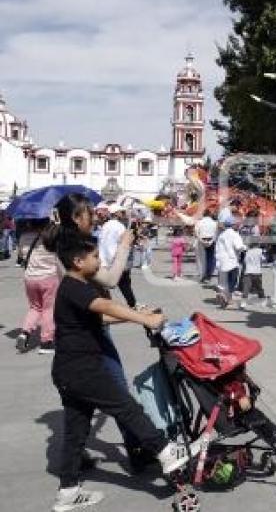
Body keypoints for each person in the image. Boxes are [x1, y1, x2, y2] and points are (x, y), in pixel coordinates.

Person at [50, 235, 193, 511]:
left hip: (69, 372)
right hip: (84, 370)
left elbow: (100, 316)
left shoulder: (72, 287)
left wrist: (137, 312)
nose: (99, 260)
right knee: (127, 408)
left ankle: (67, 492)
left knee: (75, 432)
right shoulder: (75, 287)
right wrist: (146, 320)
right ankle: (165, 451)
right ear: (79, 262)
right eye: (94, 257)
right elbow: (104, 306)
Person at [43, 194, 153, 472]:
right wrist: (124, 245)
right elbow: (111, 280)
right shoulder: (73, 251)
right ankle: (140, 449)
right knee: (119, 394)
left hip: (87, 331)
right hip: (89, 334)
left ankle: (77, 457)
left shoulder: (68, 245)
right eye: (89, 214)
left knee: (81, 407)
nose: (94, 218)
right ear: (76, 218)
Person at [16, 218, 61, 354]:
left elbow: (21, 256)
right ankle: (46, 342)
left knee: (35, 307)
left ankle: (25, 332)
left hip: (30, 277)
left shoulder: (23, 236)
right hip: (49, 277)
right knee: (48, 309)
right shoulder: (51, 236)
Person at [99, 204, 137, 308]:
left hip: (104, 259)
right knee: (125, 284)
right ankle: (132, 304)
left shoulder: (105, 225)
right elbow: (124, 241)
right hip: (115, 258)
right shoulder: (119, 226)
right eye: (121, 212)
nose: (123, 214)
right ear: (116, 213)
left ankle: (105, 304)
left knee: (104, 285)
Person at [215, 217, 246, 308]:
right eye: (236, 224)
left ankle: (221, 293)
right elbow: (239, 246)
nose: (238, 225)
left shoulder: (221, 235)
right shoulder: (234, 234)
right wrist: (246, 247)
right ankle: (228, 298)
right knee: (232, 281)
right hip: (232, 261)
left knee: (224, 280)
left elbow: (217, 249)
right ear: (233, 225)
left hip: (222, 261)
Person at [240, 238, 267, 309]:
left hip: (248, 272)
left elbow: (245, 262)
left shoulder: (248, 251)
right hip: (257, 272)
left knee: (246, 287)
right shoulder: (260, 251)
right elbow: (264, 259)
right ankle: (262, 300)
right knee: (259, 287)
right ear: (258, 244)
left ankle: (243, 302)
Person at [195, 209, 218, 282]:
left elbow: (196, 232)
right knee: (210, 258)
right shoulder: (214, 223)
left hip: (202, 239)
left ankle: (202, 275)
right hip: (211, 239)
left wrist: (200, 239)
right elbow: (216, 233)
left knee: (201, 259)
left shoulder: (199, 222)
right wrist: (212, 240)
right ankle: (208, 276)